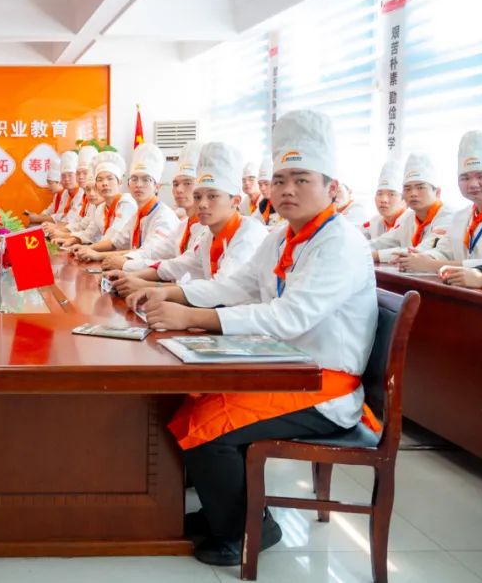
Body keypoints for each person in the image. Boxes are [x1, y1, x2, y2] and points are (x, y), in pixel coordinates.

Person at [132, 110, 378, 567]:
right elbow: (238, 285)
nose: (287, 190)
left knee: (209, 426)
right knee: (192, 403)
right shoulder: (283, 237)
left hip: (323, 386)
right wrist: (171, 294)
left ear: (332, 187)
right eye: (280, 180)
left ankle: (248, 530)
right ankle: (225, 511)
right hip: (283, 368)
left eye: (301, 180)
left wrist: (194, 317)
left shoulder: (340, 242)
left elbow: (289, 317)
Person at [117, 142, 267, 298]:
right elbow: (176, 266)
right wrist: (130, 274)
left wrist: (155, 289)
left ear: (235, 201)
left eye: (212, 196)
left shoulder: (248, 234)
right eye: (197, 196)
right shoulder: (209, 236)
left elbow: (222, 290)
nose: (202, 204)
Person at [397, 130, 482, 272]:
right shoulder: (461, 217)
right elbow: (444, 251)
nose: (473, 184)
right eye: (465, 178)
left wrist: (430, 265)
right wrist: (421, 257)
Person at [76, 143, 179, 265]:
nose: (138, 185)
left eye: (146, 179)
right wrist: (88, 250)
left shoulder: (163, 216)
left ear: (157, 187)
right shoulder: (138, 215)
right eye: (134, 179)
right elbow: (116, 241)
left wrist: (98, 255)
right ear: (129, 185)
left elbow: (147, 253)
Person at [370, 153, 452, 264]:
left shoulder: (448, 216)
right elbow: (383, 242)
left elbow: (422, 251)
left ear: (437, 192)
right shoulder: (407, 219)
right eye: (407, 189)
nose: (413, 193)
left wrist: (375, 255)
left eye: (420, 187)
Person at [55, 152, 135, 251]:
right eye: (100, 180)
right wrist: (72, 240)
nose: (105, 183)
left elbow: (113, 238)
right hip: (106, 254)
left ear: (120, 182)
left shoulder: (126, 203)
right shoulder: (101, 208)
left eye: (110, 178)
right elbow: (90, 234)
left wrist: (89, 249)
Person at [44, 147, 96, 238]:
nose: (81, 177)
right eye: (78, 173)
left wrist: (61, 232)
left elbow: (92, 233)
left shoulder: (90, 197)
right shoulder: (83, 196)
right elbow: (80, 223)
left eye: (85, 173)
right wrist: (58, 229)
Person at [362, 159, 406, 240]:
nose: (383, 200)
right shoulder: (374, 223)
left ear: (404, 199)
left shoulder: (409, 222)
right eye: (379, 194)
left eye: (391, 194)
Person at [26, 155, 66, 224]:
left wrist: (38, 218)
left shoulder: (69, 195)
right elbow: (50, 210)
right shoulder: (57, 195)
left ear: (59, 182)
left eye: (50, 183)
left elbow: (63, 217)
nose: (48, 186)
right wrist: (38, 216)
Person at [254, 155, 284, 230]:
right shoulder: (263, 205)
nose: (262, 188)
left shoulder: (288, 202)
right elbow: (253, 223)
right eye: (260, 185)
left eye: (266, 184)